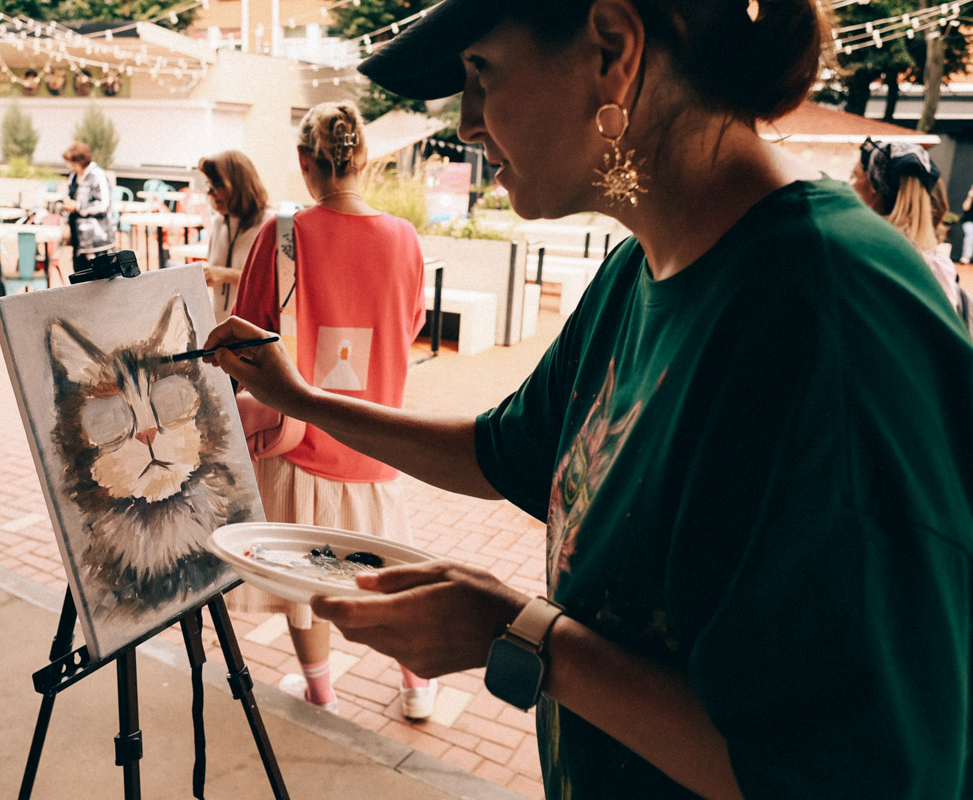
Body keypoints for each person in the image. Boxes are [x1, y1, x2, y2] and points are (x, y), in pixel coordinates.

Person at [203, 0, 973, 797]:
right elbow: (499, 450)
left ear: (612, 50)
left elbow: (853, 770)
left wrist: (522, 636)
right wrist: (300, 396)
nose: (465, 122)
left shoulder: (836, 312)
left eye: (481, 73)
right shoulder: (636, 273)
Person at [225, 100, 435, 719]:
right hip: (378, 439)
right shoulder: (405, 238)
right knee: (390, 580)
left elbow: (248, 334)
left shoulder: (281, 235)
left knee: (304, 581)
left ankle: (321, 692)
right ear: (364, 158)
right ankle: (418, 688)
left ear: (304, 162)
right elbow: (412, 322)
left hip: (300, 444)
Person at [851, 138, 968, 321]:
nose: (850, 185)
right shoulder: (934, 264)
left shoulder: (856, 249)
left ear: (874, 187)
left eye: (855, 176)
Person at [197, 150, 273, 321]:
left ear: (240, 185)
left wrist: (224, 275)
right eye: (209, 185)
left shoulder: (267, 224)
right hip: (219, 325)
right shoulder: (219, 223)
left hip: (252, 330)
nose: (211, 193)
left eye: (218, 185)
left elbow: (270, 286)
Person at [60, 142, 115, 264]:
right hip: (78, 239)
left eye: (73, 163)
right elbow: (71, 194)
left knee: (99, 279)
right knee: (79, 275)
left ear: (81, 161)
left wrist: (78, 206)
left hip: (97, 239)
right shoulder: (74, 176)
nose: (70, 167)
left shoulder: (97, 175)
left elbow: (103, 204)